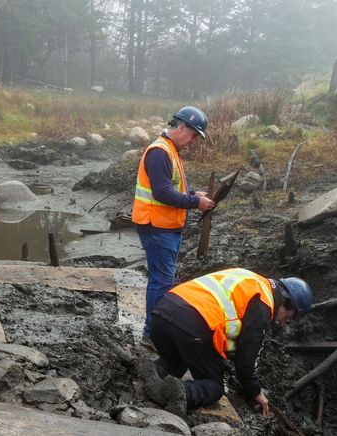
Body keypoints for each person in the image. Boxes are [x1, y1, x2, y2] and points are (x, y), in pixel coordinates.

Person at [138, 268, 313, 416]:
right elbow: (246, 364)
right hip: (190, 324)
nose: (283, 322)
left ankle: (152, 370)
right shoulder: (263, 306)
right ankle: (179, 392)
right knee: (214, 386)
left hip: (162, 315)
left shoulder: (252, 280)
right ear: (286, 303)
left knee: (176, 363)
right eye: (287, 317)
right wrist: (256, 392)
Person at [132, 106, 215, 350]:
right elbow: (162, 192)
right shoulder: (159, 152)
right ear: (181, 128)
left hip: (164, 227)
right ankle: (152, 335)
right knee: (161, 281)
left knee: (164, 279)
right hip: (156, 228)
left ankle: (156, 331)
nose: (192, 142)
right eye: (192, 136)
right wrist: (195, 202)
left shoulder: (170, 150)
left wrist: (191, 193)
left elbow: (171, 186)